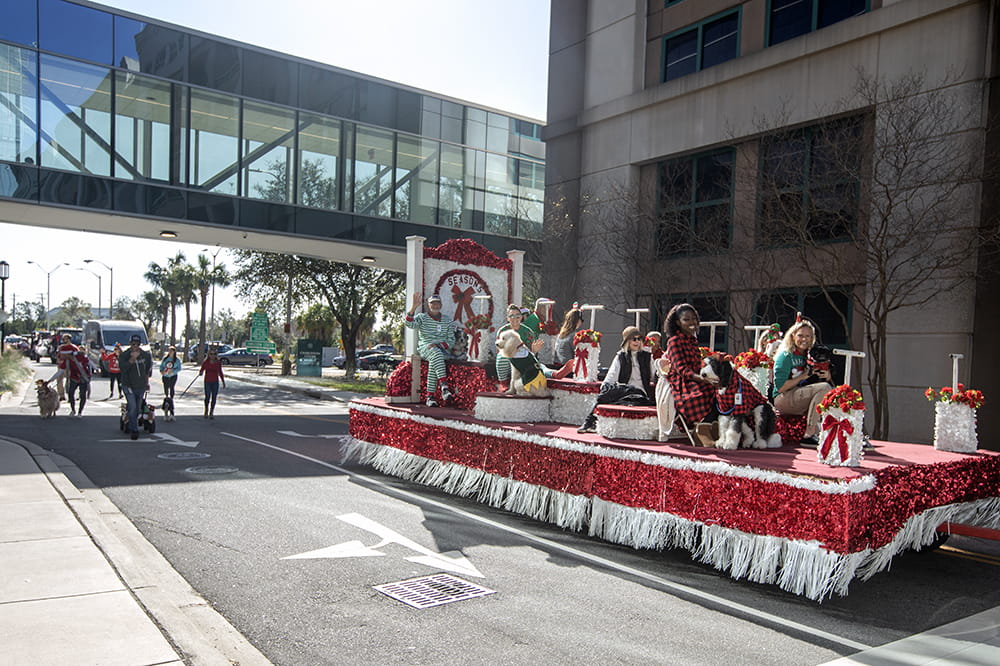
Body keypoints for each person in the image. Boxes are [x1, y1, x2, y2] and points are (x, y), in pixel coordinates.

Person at [578, 326, 657, 433]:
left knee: (626, 389)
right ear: (627, 341)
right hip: (624, 392)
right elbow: (611, 376)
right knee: (606, 393)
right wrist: (605, 388)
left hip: (640, 393)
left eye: (639, 339)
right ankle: (589, 422)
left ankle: (589, 422)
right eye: (634, 339)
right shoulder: (621, 357)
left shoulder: (647, 357)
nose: (637, 341)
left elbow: (655, 375)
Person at [771, 315, 833, 446]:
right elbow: (780, 387)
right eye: (800, 335)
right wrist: (803, 376)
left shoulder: (811, 355)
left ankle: (837, 432)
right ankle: (809, 434)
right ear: (793, 336)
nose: (804, 339)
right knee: (825, 388)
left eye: (808, 336)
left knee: (831, 390)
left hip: (800, 394)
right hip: (783, 398)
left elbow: (816, 383)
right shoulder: (786, 355)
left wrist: (825, 374)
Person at [663, 303, 717, 429]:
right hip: (683, 381)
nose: (692, 322)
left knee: (722, 388)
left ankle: (708, 426)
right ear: (678, 322)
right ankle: (702, 427)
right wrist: (702, 379)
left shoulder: (692, 341)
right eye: (686, 319)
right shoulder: (674, 341)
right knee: (701, 394)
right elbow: (681, 369)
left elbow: (699, 365)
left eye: (694, 318)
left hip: (697, 377)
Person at [405, 292, 462, 407]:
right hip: (426, 347)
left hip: (442, 351)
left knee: (435, 359)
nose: (435, 306)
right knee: (435, 354)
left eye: (437, 303)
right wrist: (414, 307)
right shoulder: (422, 317)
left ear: (441, 305)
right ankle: (444, 387)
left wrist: (439, 346)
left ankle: (430, 397)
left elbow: (451, 341)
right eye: (432, 304)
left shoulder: (447, 320)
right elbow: (408, 324)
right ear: (428, 305)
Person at [495, 304, 543, 387]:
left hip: (523, 360)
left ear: (521, 317)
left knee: (539, 368)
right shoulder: (503, 331)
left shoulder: (528, 332)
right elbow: (499, 350)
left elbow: (530, 354)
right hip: (508, 359)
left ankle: (554, 374)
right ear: (508, 318)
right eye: (511, 316)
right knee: (501, 357)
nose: (515, 318)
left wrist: (534, 350)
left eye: (517, 315)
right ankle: (503, 383)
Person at [119, 334, 153, 440]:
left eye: (137, 344)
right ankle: (134, 429)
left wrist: (146, 382)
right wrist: (132, 359)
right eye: (133, 344)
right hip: (128, 385)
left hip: (140, 385)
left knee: (137, 408)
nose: (135, 346)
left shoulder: (145, 355)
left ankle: (130, 421)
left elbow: (147, 370)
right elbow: (123, 368)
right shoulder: (124, 355)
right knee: (132, 407)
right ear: (130, 344)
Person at [50, 349, 93, 417]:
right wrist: (50, 380)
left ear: (68, 354)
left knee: (82, 395)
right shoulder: (66, 361)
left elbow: (89, 363)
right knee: (70, 393)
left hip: (83, 378)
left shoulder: (80, 357)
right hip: (74, 378)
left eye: (64, 355)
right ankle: (73, 410)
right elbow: (60, 372)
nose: (62, 356)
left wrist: (96, 369)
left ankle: (80, 412)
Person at [199, 347, 226, 419]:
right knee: (207, 397)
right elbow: (201, 370)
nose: (212, 355)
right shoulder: (206, 362)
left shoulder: (218, 362)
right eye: (211, 354)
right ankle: (206, 410)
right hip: (207, 381)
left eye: (214, 354)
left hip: (215, 382)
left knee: (214, 397)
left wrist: (223, 381)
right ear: (209, 354)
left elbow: (220, 372)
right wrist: (201, 372)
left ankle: (211, 412)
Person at [55, 333, 77, 400]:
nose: (65, 340)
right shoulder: (61, 347)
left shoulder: (74, 347)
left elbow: (76, 357)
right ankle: (61, 395)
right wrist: (59, 361)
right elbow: (58, 356)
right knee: (59, 380)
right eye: (64, 339)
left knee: (71, 381)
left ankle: (70, 395)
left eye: (66, 339)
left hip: (71, 367)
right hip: (61, 367)